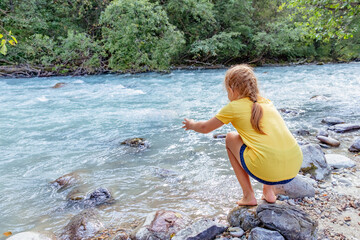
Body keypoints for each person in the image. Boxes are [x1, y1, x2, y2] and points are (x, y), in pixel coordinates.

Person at [182, 64, 303, 206]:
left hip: (268, 168)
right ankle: (269, 192)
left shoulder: (234, 107)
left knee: (230, 138)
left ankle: (248, 195)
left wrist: (191, 124)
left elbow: (204, 128)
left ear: (231, 90)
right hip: (294, 166)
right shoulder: (266, 102)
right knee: (264, 139)